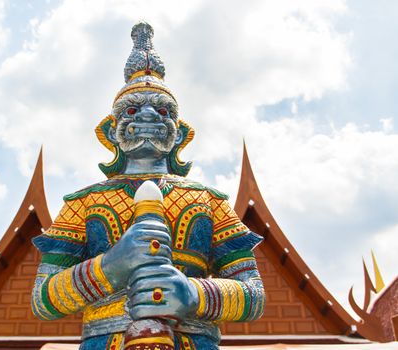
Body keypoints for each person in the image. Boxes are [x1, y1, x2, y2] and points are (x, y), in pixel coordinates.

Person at [31, 22, 265, 350]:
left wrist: (193, 293)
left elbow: (254, 295)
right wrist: (110, 267)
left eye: (163, 110)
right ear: (112, 131)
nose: (149, 115)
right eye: (132, 109)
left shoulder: (209, 202)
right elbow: (43, 299)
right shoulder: (84, 203)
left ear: (179, 133)